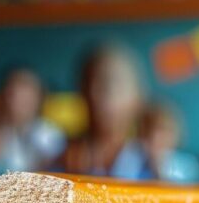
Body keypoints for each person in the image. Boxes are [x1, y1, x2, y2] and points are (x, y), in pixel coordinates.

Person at [57, 44, 151, 179]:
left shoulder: (155, 167)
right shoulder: (59, 162)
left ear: (138, 97)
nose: (94, 94)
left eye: (109, 85)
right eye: (87, 83)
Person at [0, 67, 65, 172]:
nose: (15, 96)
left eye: (24, 87)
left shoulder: (52, 136)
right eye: (11, 89)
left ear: (39, 96)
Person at [137, 102, 199, 184]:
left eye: (165, 131)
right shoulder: (133, 161)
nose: (157, 138)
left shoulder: (189, 167)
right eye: (150, 131)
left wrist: (160, 168)